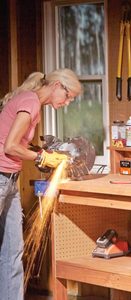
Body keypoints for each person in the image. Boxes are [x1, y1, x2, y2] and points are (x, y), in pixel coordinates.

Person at [0, 68, 82, 300]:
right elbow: (10, 147)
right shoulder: (31, 101)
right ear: (57, 86)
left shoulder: (32, 104)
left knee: (12, 252)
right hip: (0, 177)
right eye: (67, 97)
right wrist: (41, 157)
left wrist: (41, 151)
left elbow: (17, 144)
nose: (67, 102)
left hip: (10, 180)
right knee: (10, 253)